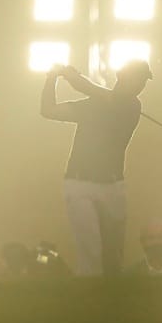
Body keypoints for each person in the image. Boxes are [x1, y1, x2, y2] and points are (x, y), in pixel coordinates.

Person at [40, 60, 151, 277]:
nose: (140, 85)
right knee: (90, 252)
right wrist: (51, 78)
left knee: (113, 255)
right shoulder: (93, 104)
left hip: (113, 186)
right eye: (137, 79)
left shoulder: (132, 106)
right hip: (80, 184)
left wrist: (71, 76)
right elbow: (48, 110)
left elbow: (91, 90)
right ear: (122, 76)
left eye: (143, 81)